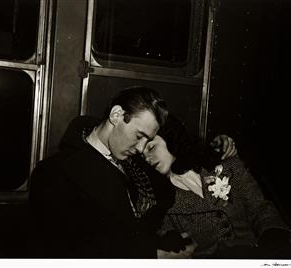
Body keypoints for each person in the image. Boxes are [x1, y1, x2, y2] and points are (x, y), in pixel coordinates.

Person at [28, 86, 186, 258]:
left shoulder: (132, 161)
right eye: (139, 135)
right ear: (116, 115)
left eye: (147, 140)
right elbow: (65, 250)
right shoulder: (54, 173)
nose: (141, 148)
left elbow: (163, 199)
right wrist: (152, 255)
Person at [143, 115, 291, 258]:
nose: (148, 158)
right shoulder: (159, 199)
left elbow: (259, 208)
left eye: (151, 148)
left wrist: (273, 240)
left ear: (170, 137)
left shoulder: (223, 162)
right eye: (142, 156)